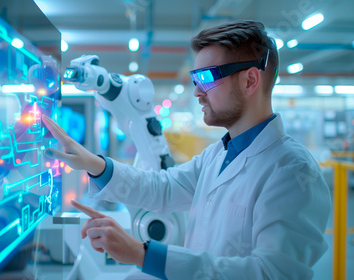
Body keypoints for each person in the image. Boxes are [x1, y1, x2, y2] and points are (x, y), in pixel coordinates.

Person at [43, 19, 331, 279]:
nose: (196, 91)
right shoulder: (218, 155)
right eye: (196, 79)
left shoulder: (292, 172)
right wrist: (95, 164)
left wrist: (140, 253)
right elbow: (164, 188)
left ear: (250, 80)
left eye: (206, 78)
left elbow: (270, 274)